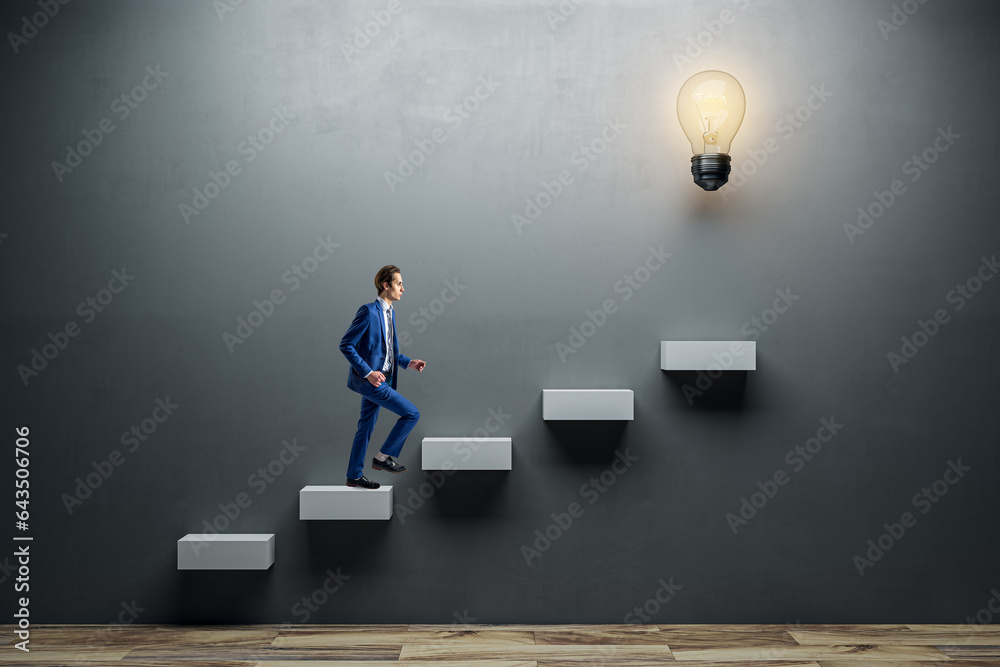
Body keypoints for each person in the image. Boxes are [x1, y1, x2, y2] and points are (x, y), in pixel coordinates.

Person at [339, 265, 426, 489]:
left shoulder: (390, 313)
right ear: (386, 286)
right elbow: (346, 345)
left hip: (383, 379)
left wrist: (408, 362)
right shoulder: (368, 311)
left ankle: (353, 476)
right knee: (411, 413)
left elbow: (388, 351)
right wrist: (368, 373)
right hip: (372, 381)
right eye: (399, 284)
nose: (403, 289)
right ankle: (382, 457)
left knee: (365, 428)